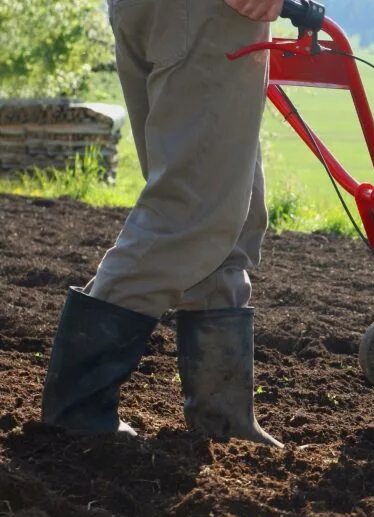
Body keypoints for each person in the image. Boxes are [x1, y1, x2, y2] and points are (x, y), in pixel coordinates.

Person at [41, 0, 287, 447]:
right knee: (190, 213)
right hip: (204, 14)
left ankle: (223, 417)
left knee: (229, 208)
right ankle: (76, 413)